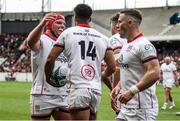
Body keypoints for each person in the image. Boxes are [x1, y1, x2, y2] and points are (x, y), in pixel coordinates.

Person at [45, 4, 116, 120]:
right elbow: (112, 67)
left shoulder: (68, 33)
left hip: (78, 88)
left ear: (75, 18)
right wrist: (101, 76)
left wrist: (48, 78)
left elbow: (50, 59)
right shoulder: (104, 38)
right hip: (96, 90)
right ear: (90, 19)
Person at [111, 9, 160, 121]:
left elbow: (155, 73)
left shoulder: (144, 45)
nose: (117, 26)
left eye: (119, 22)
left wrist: (131, 91)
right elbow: (129, 71)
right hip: (127, 107)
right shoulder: (126, 45)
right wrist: (118, 86)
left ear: (130, 23)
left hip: (142, 109)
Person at [26, 12, 71, 120]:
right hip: (43, 94)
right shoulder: (42, 39)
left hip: (63, 93)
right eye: (59, 23)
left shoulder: (64, 43)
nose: (62, 26)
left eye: (64, 24)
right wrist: (42, 24)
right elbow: (30, 43)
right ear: (50, 25)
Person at [109, 12, 127, 115]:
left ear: (115, 25)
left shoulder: (115, 38)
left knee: (121, 115)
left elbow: (118, 66)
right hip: (131, 84)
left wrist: (114, 89)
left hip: (122, 86)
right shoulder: (130, 39)